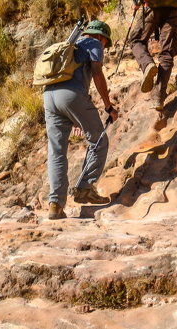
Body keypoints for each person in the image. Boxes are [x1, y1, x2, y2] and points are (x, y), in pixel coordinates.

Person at [43, 20, 118, 219]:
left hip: (49, 96)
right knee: (99, 141)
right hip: (71, 95)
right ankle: (85, 188)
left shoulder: (71, 43)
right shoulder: (93, 43)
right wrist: (108, 106)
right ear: (101, 37)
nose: (104, 47)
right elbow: (97, 72)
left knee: (56, 151)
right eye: (105, 43)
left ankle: (55, 205)